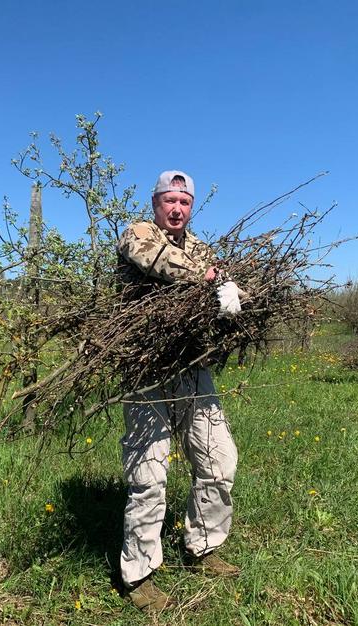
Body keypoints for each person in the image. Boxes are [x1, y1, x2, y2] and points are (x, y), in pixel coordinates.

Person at [115, 170, 240, 612]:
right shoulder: (138, 234)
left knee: (219, 459)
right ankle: (139, 576)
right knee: (149, 476)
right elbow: (159, 262)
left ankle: (203, 547)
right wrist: (208, 277)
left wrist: (228, 291)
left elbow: (216, 280)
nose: (176, 209)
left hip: (191, 369)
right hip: (146, 372)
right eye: (169, 201)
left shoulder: (201, 246)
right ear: (155, 204)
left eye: (184, 203)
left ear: (191, 207)